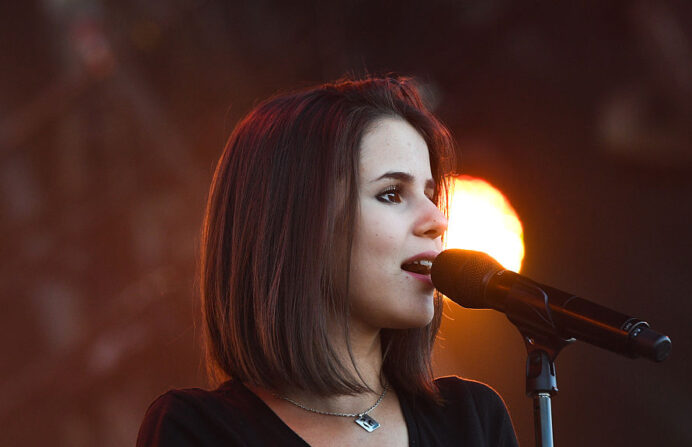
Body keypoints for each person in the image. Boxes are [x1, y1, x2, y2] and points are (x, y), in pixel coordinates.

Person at [136, 75, 519, 446]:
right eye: (391, 193)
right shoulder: (198, 431)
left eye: (430, 194)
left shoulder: (471, 420)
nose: (437, 221)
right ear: (295, 219)